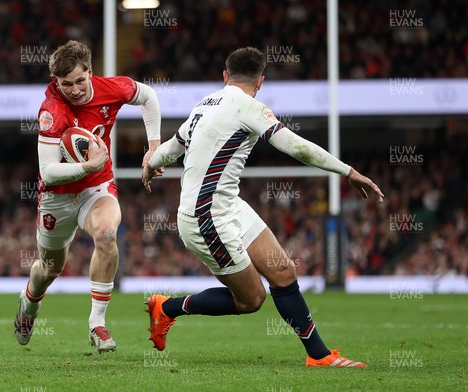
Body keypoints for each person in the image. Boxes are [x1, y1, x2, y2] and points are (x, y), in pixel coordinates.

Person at [142, 47, 384, 367]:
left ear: (225, 76)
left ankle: (319, 356)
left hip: (228, 204)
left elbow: (173, 146)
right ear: (261, 81)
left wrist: (151, 163)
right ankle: (167, 307)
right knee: (252, 299)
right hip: (205, 217)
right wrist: (349, 172)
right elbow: (298, 147)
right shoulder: (251, 107)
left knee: (283, 271)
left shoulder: (203, 105)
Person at [14, 40, 161, 352]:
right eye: (66, 84)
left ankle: (97, 324)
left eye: (81, 80)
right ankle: (29, 302)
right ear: (56, 82)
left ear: (91, 72)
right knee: (50, 269)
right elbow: (49, 171)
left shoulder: (113, 88)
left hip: (97, 188)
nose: (75, 89)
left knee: (107, 234)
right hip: (57, 197)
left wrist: (153, 145)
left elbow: (148, 97)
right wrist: (89, 164)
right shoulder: (52, 111)